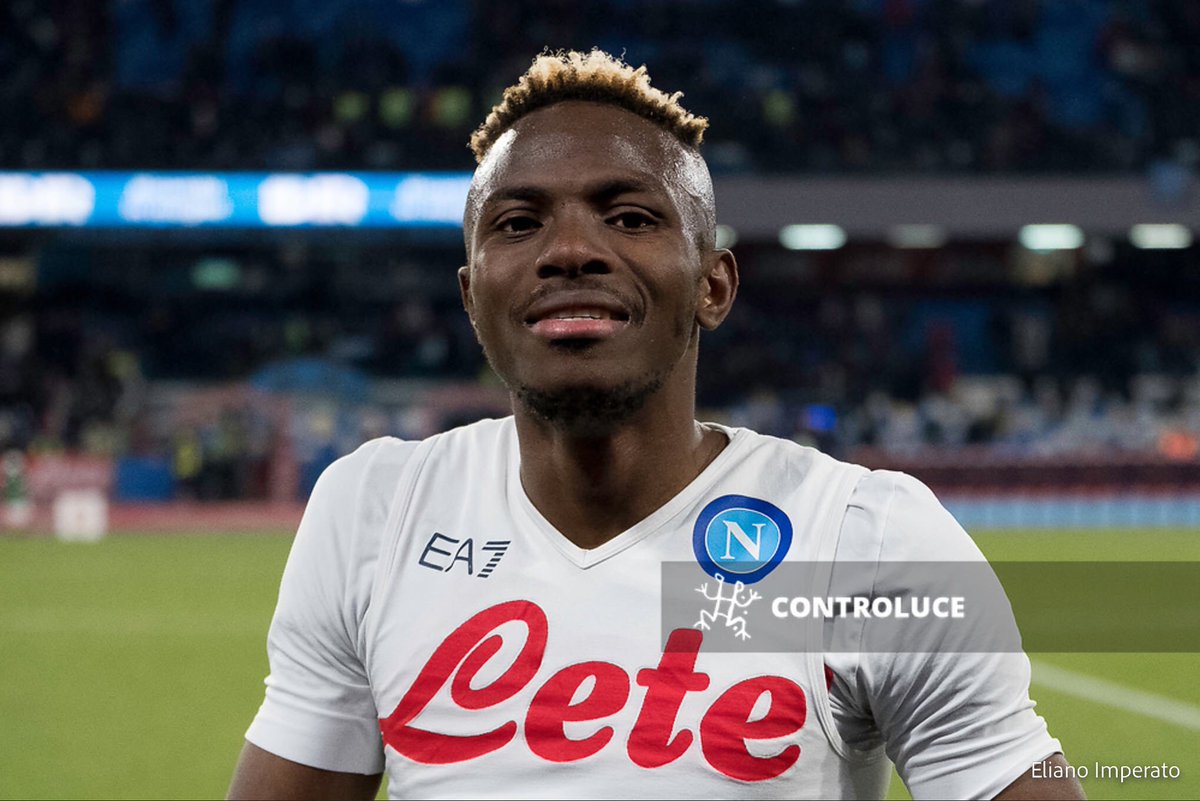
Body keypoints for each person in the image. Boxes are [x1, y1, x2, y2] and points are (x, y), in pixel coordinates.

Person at [228, 50, 1085, 800]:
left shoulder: (864, 538)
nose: (570, 249)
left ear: (714, 285)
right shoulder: (374, 510)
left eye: (630, 216)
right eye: (519, 223)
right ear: (471, 297)